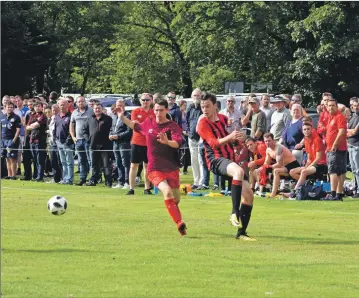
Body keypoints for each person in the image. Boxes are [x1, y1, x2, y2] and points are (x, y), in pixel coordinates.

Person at [116, 99, 187, 236]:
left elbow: (177, 144)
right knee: (167, 192)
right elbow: (134, 125)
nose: (158, 113)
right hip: (154, 168)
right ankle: (180, 224)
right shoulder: (148, 123)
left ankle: (176, 215)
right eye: (156, 110)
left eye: (161, 110)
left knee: (176, 199)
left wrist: (167, 142)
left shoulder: (173, 126)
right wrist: (122, 117)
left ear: (167, 110)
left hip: (171, 167)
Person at [197, 92, 255, 241]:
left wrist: (238, 139)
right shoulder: (202, 123)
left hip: (230, 159)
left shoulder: (223, 119)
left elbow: (230, 141)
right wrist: (231, 136)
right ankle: (234, 212)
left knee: (248, 195)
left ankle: (241, 233)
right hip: (216, 160)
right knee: (239, 171)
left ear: (215, 106)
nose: (205, 109)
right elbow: (214, 143)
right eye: (203, 106)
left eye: (208, 106)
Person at [126, 93, 154, 195]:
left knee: (147, 166)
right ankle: (131, 188)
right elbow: (135, 126)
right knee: (134, 165)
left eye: (147, 100)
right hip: (136, 142)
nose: (145, 102)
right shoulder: (136, 111)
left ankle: (147, 188)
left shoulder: (154, 112)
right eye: (143, 100)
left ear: (151, 100)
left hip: (149, 143)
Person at [289, 123, 327, 197]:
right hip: (312, 164)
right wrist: (306, 166)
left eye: (308, 129)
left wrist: (308, 168)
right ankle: (305, 184)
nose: (306, 131)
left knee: (304, 171)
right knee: (292, 172)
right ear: (302, 131)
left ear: (312, 129)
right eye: (304, 129)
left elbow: (318, 158)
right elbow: (309, 158)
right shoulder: (306, 140)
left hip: (321, 164)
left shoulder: (317, 140)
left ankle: (295, 191)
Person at [83, 103, 113, 187]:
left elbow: (112, 129)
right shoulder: (90, 119)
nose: (97, 110)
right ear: (93, 109)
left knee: (106, 165)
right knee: (94, 165)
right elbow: (84, 130)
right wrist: (88, 140)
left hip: (105, 146)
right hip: (93, 145)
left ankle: (108, 182)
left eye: (99, 108)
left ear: (102, 109)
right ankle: (93, 181)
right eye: (96, 108)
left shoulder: (108, 119)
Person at [323, 98, 348, 201]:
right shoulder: (330, 117)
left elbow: (341, 131)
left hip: (337, 148)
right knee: (340, 171)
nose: (331, 107)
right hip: (333, 147)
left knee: (333, 170)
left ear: (337, 107)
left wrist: (334, 144)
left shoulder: (339, 117)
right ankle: (339, 194)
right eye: (329, 105)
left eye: (333, 105)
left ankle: (333, 194)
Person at [261, 133, 300, 197]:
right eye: (266, 141)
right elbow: (266, 163)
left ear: (273, 140)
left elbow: (279, 164)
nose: (267, 143)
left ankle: (273, 193)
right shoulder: (268, 149)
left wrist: (269, 167)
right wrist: (262, 169)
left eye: (269, 140)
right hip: (285, 167)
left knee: (276, 171)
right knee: (260, 170)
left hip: (292, 165)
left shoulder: (279, 148)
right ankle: (261, 190)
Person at [70, 96, 94, 186]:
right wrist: (73, 136)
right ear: (76, 103)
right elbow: (71, 125)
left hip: (88, 140)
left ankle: (92, 179)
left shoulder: (91, 111)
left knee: (90, 160)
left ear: (85, 102)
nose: (81, 103)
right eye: (79, 102)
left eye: (82, 101)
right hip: (78, 140)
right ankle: (82, 179)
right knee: (81, 160)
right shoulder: (74, 112)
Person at [110, 98, 132, 189]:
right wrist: (110, 135)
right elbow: (112, 128)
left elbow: (129, 131)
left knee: (125, 163)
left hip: (124, 143)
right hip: (115, 143)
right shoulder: (114, 116)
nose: (119, 107)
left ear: (124, 106)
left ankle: (127, 182)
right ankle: (120, 181)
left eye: (121, 105)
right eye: (117, 105)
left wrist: (118, 136)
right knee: (118, 162)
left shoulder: (128, 116)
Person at [53, 99, 74, 185]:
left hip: (67, 143)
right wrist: (55, 138)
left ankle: (69, 179)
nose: (62, 106)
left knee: (69, 162)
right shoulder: (57, 116)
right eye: (60, 105)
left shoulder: (70, 116)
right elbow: (55, 129)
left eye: (63, 105)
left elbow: (72, 130)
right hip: (59, 142)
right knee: (63, 162)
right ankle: (65, 178)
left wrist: (67, 141)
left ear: (67, 106)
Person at [26, 102, 48, 182]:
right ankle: (36, 176)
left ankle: (40, 177)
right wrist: (32, 125)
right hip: (32, 140)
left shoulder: (43, 116)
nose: (37, 108)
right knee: (35, 159)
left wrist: (32, 125)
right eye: (36, 106)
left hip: (40, 140)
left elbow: (37, 125)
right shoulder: (32, 116)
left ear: (42, 107)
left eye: (39, 106)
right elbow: (27, 127)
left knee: (40, 160)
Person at [186, 88, 203, 190]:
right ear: (192, 97)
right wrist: (188, 132)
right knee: (194, 160)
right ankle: (196, 181)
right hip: (191, 137)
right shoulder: (190, 108)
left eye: (198, 95)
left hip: (201, 137)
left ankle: (202, 181)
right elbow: (187, 121)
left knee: (201, 159)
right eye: (195, 96)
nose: (196, 97)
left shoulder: (203, 107)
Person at [0, 102, 21, 179]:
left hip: (12, 140)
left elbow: (18, 130)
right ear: (5, 108)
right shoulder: (2, 117)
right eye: (8, 107)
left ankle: (13, 175)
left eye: (11, 107)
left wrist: (13, 141)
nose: (9, 108)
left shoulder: (16, 117)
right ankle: (9, 175)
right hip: (3, 140)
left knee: (12, 158)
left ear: (13, 108)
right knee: (7, 158)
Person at [46, 104, 62, 183]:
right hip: (52, 142)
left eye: (56, 110)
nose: (54, 112)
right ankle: (56, 178)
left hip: (58, 142)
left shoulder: (60, 118)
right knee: (53, 161)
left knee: (60, 161)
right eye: (53, 110)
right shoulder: (51, 119)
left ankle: (62, 178)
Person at [347, 99, 359, 197]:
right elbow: (346, 129)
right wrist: (348, 131)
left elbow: (354, 131)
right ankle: (356, 188)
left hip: (357, 146)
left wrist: (347, 131)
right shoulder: (353, 117)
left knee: (358, 169)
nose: (356, 107)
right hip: (350, 145)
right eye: (354, 106)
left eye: (357, 105)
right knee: (354, 169)